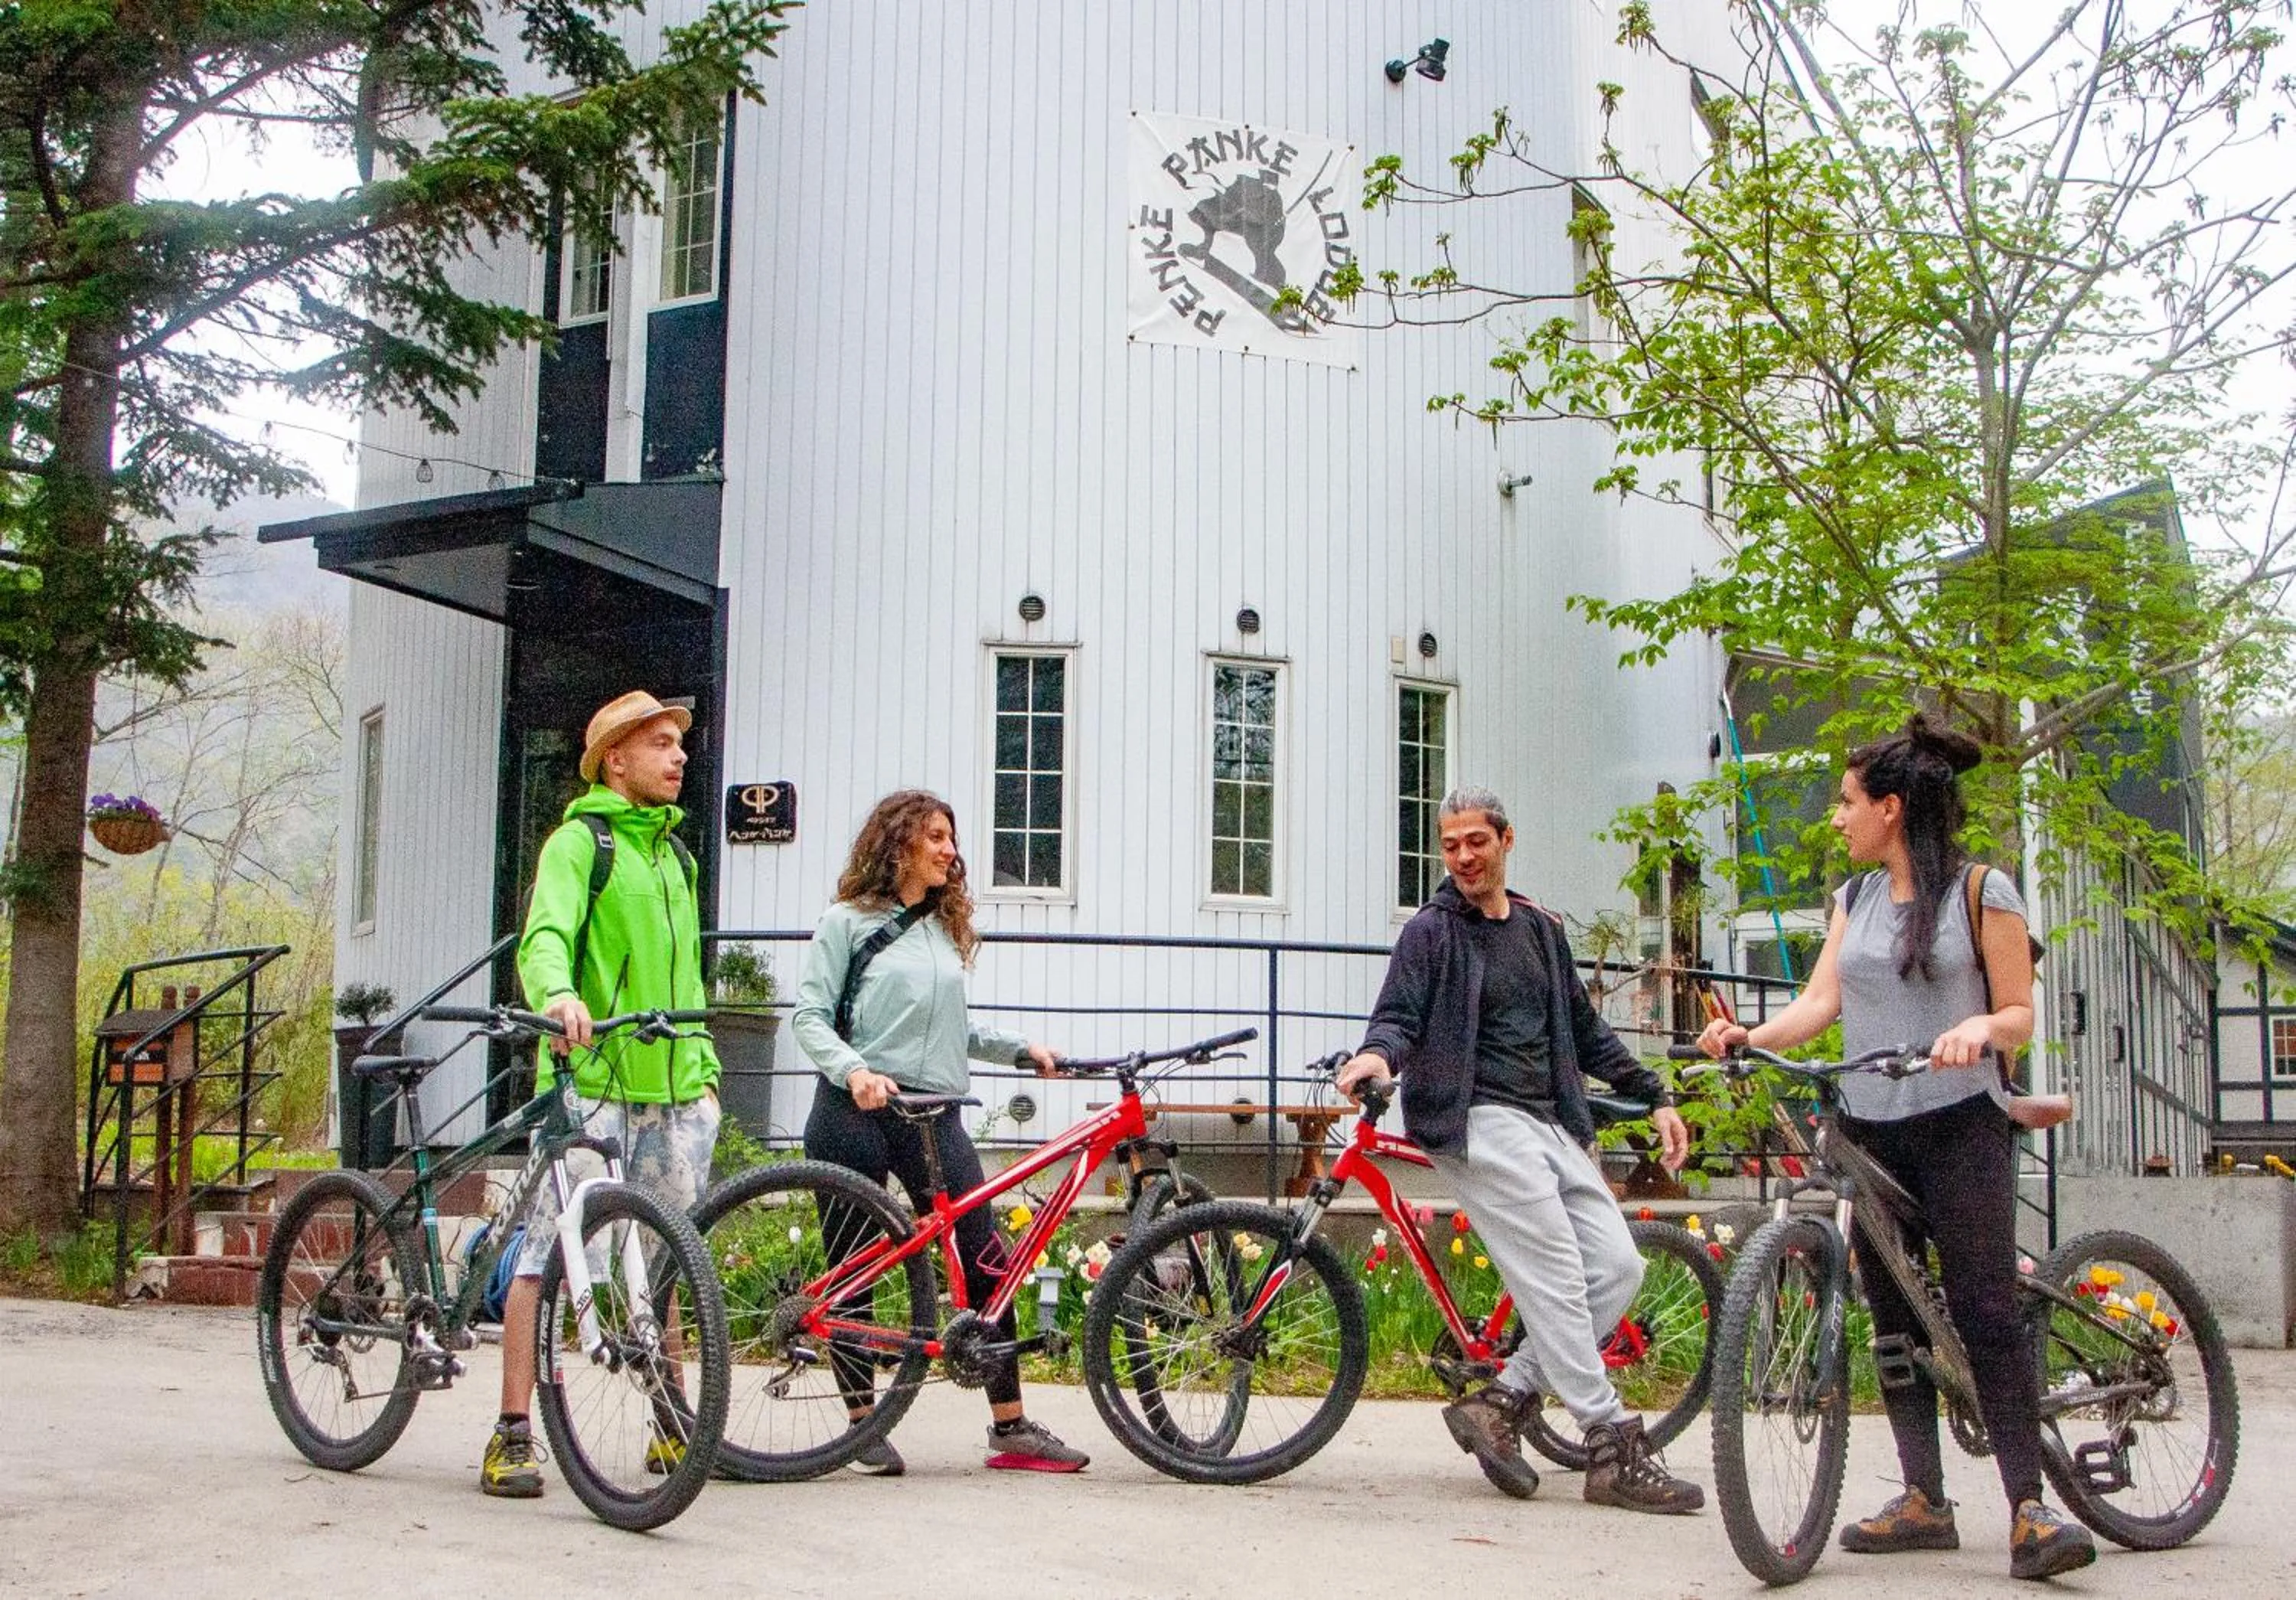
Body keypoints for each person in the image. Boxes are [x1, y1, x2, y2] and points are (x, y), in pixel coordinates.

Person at [1697, 713, 2095, 1582]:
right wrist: (1750, 1034)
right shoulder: (1856, 898)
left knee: (1985, 1308)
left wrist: (1981, 1026)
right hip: (1872, 1122)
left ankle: (2031, 1508)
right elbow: (1819, 1004)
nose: (1836, 817)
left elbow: (2020, 1011)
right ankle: (1925, 1499)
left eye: (1847, 802)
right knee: (1896, 1317)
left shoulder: (1985, 891)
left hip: (1959, 1119)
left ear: (1890, 807)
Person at [1337, 787, 1705, 1513]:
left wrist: (1656, 1092)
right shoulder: (1432, 933)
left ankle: (1502, 1401)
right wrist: (1377, 1058)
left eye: (1477, 841)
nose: (1464, 857)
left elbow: (1587, 1031)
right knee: (1560, 1274)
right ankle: (1612, 1443)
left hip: (1552, 1122)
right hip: (1479, 1120)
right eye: (1450, 845)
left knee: (1618, 1266)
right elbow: (1397, 1016)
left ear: (1507, 841)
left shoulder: (1539, 929)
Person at [790, 789, 1084, 1476]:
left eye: (952, 838)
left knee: (989, 1258)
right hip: (855, 1109)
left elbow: (957, 1028)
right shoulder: (847, 922)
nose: (951, 851)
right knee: (854, 1268)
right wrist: (853, 1068)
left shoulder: (940, 928)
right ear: (898, 845)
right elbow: (809, 1017)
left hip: (935, 1113)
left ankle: (1010, 1427)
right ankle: (862, 1424)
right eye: (936, 838)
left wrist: (1021, 1049)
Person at [481, 690, 722, 1499]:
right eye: (660, 743)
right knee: (553, 1250)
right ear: (615, 759)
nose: (678, 755)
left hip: (678, 1088)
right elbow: (545, 933)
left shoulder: (675, 857)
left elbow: (688, 976)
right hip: (592, 1082)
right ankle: (514, 1429)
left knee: (668, 1259)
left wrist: (708, 1069)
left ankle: (670, 1422)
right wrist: (557, 994)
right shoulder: (580, 844)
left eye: (677, 744)